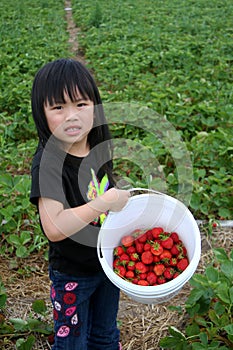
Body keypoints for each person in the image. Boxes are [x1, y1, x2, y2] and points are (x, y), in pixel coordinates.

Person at [30, 58, 129, 350]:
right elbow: (54, 227)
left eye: (81, 105)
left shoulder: (96, 144)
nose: (71, 116)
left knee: (105, 335)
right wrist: (103, 203)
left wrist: (118, 196)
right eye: (58, 107)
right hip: (72, 273)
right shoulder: (48, 163)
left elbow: (102, 185)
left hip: (107, 264)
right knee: (73, 341)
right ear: (42, 113)